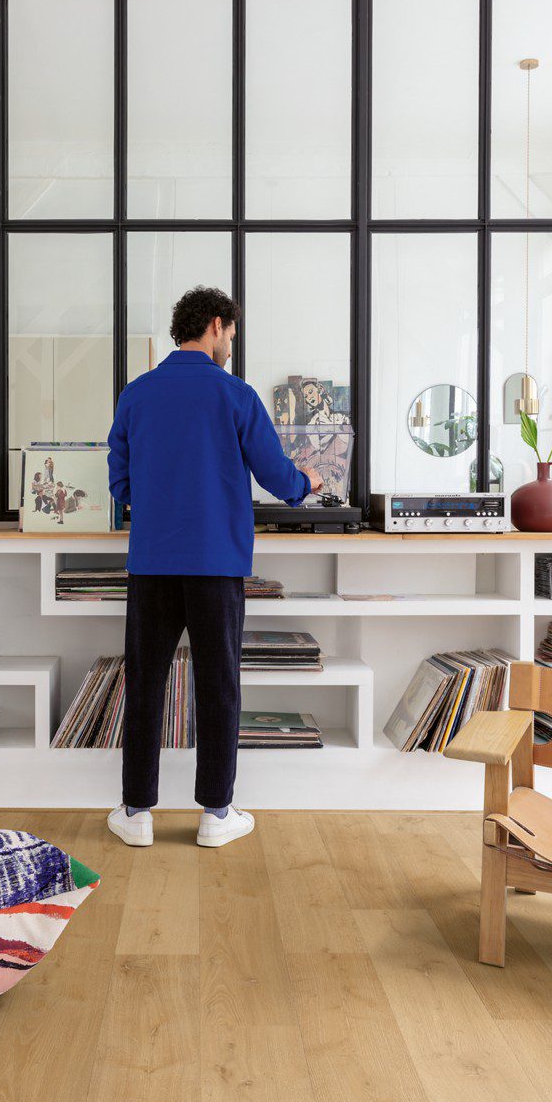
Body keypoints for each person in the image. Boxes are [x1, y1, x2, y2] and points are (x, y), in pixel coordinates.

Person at [106, 286, 323, 849]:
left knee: (146, 684)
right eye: (231, 334)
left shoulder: (136, 393)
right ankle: (215, 814)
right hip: (216, 564)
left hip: (151, 562)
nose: (231, 344)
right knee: (218, 685)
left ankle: (135, 814)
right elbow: (276, 474)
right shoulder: (235, 395)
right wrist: (308, 484)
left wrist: (147, 500)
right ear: (217, 326)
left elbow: (120, 477)